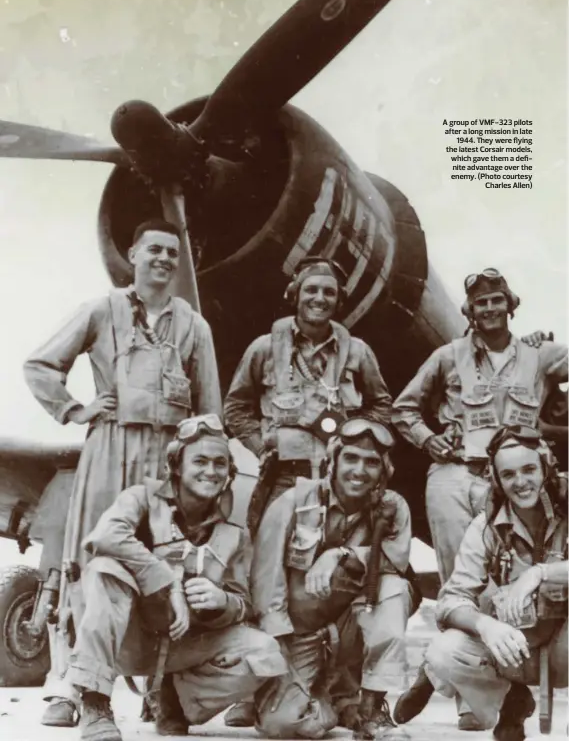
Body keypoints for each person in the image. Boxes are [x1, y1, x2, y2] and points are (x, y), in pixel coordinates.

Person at [23, 219, 222, 727]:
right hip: (110, 446)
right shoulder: (101, 310)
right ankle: (71, 686)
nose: (163, 259)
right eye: (153, 249)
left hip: (167, 459)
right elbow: (41, 365)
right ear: (132, 254)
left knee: (165, 564)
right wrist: (75, 410)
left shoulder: (194, 326)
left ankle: (158, 686)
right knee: (90, 561)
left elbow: (210, 411)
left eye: (172, 253)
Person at [391, 268, 567, 730]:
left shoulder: (541, 354)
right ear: (468, 312)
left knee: (521, 575)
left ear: (511, 304)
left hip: (518, 479)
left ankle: (434, 676)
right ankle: (468, 694)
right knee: (460, 579)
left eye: (496, 300)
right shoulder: (447, 356)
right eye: (479, 303)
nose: (489, 309)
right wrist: (430, 441)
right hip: (457, 474)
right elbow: (403, 408)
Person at [59, 414, 287, 741]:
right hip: (125, 636)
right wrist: (168, 583)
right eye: (201, 461)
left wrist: (223, 601)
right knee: (105, 570)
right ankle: (95, 702)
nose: (211, 471)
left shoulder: (233, 531)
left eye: (220, 463)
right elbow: (104, 537)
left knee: (264, 651)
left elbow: (244, 604)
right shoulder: (141, 499)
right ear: (177, 466)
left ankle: (173, 699)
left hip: (184, 644)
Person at [394, 425, 567, 741]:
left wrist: (540, 573)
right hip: (515, 645)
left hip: (564, 645)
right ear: (498, 481)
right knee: (444, 651)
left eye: (529, 469)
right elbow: (450, 600)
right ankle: (510, 699)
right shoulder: (486, 526)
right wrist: (486, 626)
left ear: (547, 468)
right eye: (509, 474)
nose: (521, 482)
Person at [250, 417, 418, 740]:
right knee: (283, 725)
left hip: (350, 629)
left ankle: (370, 708)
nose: (359, 470)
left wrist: (342, 554)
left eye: (371, 462)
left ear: (384, 470)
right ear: (333, 460)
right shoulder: (294, 501)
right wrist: (276, 651)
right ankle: (329, 703)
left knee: (395, 590)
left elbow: (394, 562)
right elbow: (265, 581)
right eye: (351, 458)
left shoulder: (392, 508)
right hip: (300, 635)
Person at [224, 256, 393, 536]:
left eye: (329, 292)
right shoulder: (264, 349)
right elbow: (236, 407)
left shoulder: (358, 353)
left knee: (335, 561)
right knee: (271, 561)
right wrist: (260, 448)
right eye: (311, 290)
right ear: (296, 295)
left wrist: (358, 440)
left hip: (340, 480)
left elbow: (381, 405)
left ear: (338, 302)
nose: (319, 298)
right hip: (283, 476)